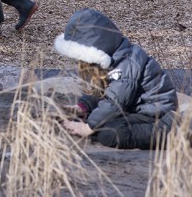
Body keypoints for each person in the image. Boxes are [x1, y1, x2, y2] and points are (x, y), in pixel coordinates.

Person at [55, 8, 177, 149]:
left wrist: (88, 127)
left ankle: (168, 133)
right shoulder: (114, 59)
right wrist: (83, 107)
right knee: (101, 124)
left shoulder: (126, 65)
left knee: (110, 134)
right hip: (134, 109)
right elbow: (106, 93)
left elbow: (115, 102)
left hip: (156, 114)